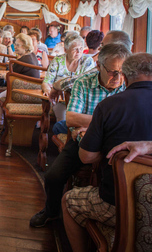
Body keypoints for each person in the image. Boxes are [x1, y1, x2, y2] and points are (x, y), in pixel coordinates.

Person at [30, 44, 132, 228]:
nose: (118, 78)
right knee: (53, 177)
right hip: (83, 142)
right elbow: (71, 119)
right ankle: (51, 212)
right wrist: (107, 121)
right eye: (112, 72)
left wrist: (92, 122)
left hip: (116, 144)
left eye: (122, 71)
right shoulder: (84, 82)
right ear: (99, 66)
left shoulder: (129, 84)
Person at [62, 53, 152, 252]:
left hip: (117, 204)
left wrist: (109, 150)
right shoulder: (85, 84)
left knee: (69, 201)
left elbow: (86, 157)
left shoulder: (109, 106)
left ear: (125, 79)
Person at [49, 30, 133, 97]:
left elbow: (74, 82)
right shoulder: (134, 71)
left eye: (103, 46)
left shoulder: (102, 68)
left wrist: (56, 85)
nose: (99, 49)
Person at [42, 33, 95, 123]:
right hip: (60, 100)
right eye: (75, 49)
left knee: (76, 121)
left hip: (81, 101)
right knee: (63, 122)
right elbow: (46, 81)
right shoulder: (58, 60)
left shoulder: (87, 61)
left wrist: (61, 87)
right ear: (66, 50)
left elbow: (87, 83)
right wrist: (47, 90)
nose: (79, 52)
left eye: (81, 48)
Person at [0, 34, 40, 130]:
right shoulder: (32, 56)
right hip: (34, 91)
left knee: (1, 95)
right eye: (15, 44)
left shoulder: (22, 60)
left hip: (25, 92)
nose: (15, 47)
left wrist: (5, 76)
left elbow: (11, 77)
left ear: (26, 47)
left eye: (18, 45)